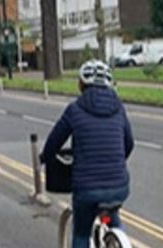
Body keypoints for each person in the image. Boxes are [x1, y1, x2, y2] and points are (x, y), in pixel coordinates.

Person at [41, 60, 134, 248]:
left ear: (81, 84)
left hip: (87, 189)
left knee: (82, 232)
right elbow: (129, 144)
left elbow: (54, 141)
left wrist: (44, 157)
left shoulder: (75, 110)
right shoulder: (119, 108)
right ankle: (121, 239)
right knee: (113, 214)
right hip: (119, 185)